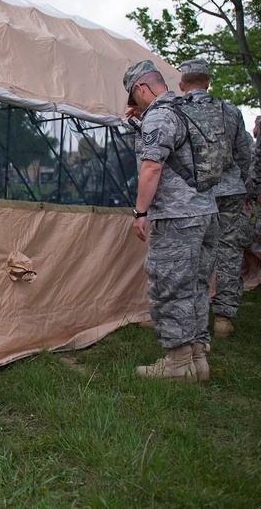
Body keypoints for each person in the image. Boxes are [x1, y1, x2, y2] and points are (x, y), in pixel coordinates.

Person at [124, 59, 218, 382]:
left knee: (170, 284)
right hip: (206, 212)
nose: (134, 106)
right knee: (194, 285)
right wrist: (142, 120)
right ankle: (196, 360)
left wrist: (140, 212)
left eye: (134, 99)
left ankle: (177, 365)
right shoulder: (189, 111)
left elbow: (152, 167)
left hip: (177, 217)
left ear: (141, 88)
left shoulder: (160, 118)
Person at [177, 59, 252, 339]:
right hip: (229, 191)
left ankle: (186, 315)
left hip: (192, 193)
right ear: (208, 82)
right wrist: (244, 187)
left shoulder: (177, 111)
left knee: (189, 251)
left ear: (182, 85)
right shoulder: (231, 111)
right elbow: (244, 154)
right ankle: (223, 318)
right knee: (229, 252)